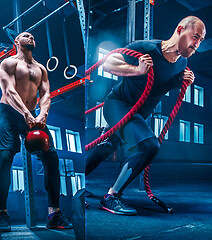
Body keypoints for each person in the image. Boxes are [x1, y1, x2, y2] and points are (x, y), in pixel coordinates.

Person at [85, 16, 204, 215]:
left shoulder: (181, 65)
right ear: (180, 29)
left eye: (200, 41)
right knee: (148, 146)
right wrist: (136, 70)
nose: (197, 45)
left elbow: (162, 83)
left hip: (139, 114)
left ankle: (81, 187)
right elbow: (109, 63)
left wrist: (183, 82)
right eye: (195, 37)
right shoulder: (146, 48)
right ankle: (111, 197)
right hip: (117, 104)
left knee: (106, 147)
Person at [0, 32, 73, 231]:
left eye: (32, 36)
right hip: (9, 114)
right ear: (17, 42)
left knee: (52, 158)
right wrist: (25, 113)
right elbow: (9, 91)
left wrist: (42, 114)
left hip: (34, 116)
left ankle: (54, 214)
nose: (31, 37)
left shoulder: (41, 68)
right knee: (4, 158)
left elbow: (46, 93)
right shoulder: (8, 63)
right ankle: (2, 213)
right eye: (25, 35)